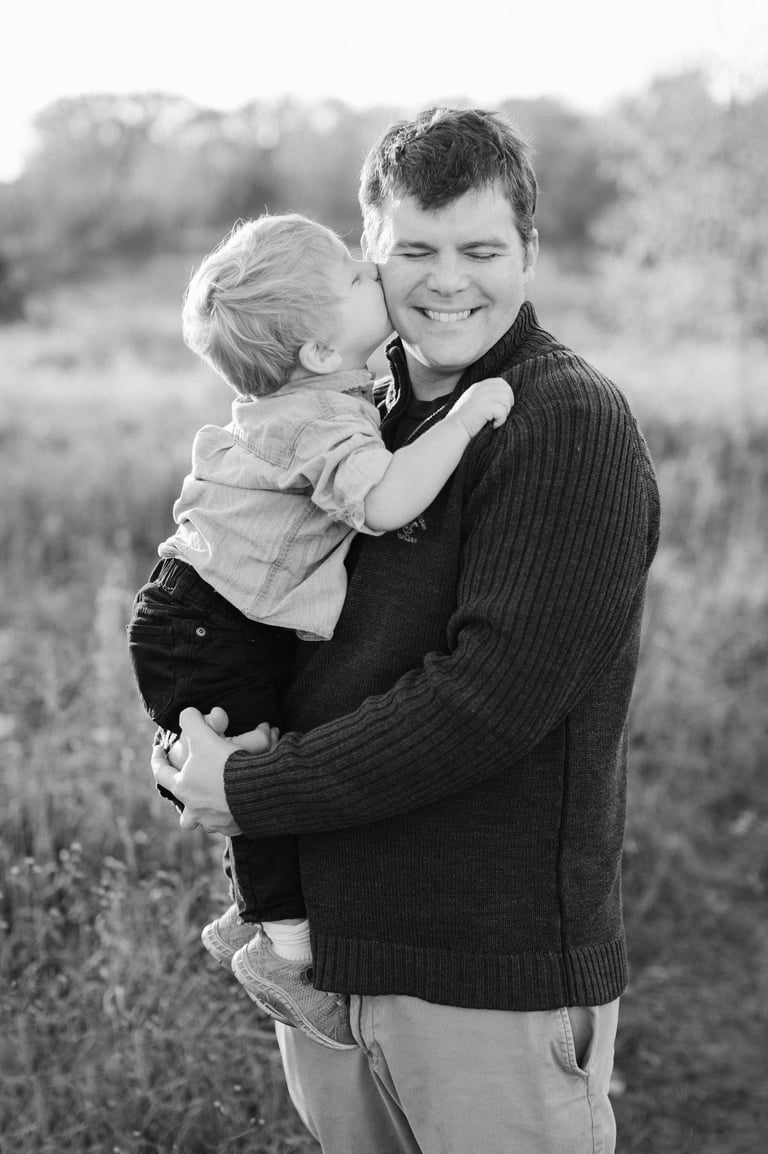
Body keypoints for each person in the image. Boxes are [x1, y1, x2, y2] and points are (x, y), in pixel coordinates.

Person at [152, 107, 660, 1154]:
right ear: (367, 257)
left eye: (482, 250)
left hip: (483, 970)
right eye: (415, 251)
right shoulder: (350, 407)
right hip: (333, 956)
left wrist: (251, 791)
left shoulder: (563, 421)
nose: (448, 282)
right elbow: (257, 608)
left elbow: (488, 703)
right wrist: (198, 735)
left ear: (529, 251)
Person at [127, 211, 513, 1051]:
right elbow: (384, 500)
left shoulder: (316, 396)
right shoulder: (320, 421)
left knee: (249, 757)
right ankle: (287, 955)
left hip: (198, 614)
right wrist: (462, 421)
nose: (373, 270)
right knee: (249, 771)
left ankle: (251, 913)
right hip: (211, 624)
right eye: (354, 275)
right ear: (317, 350)